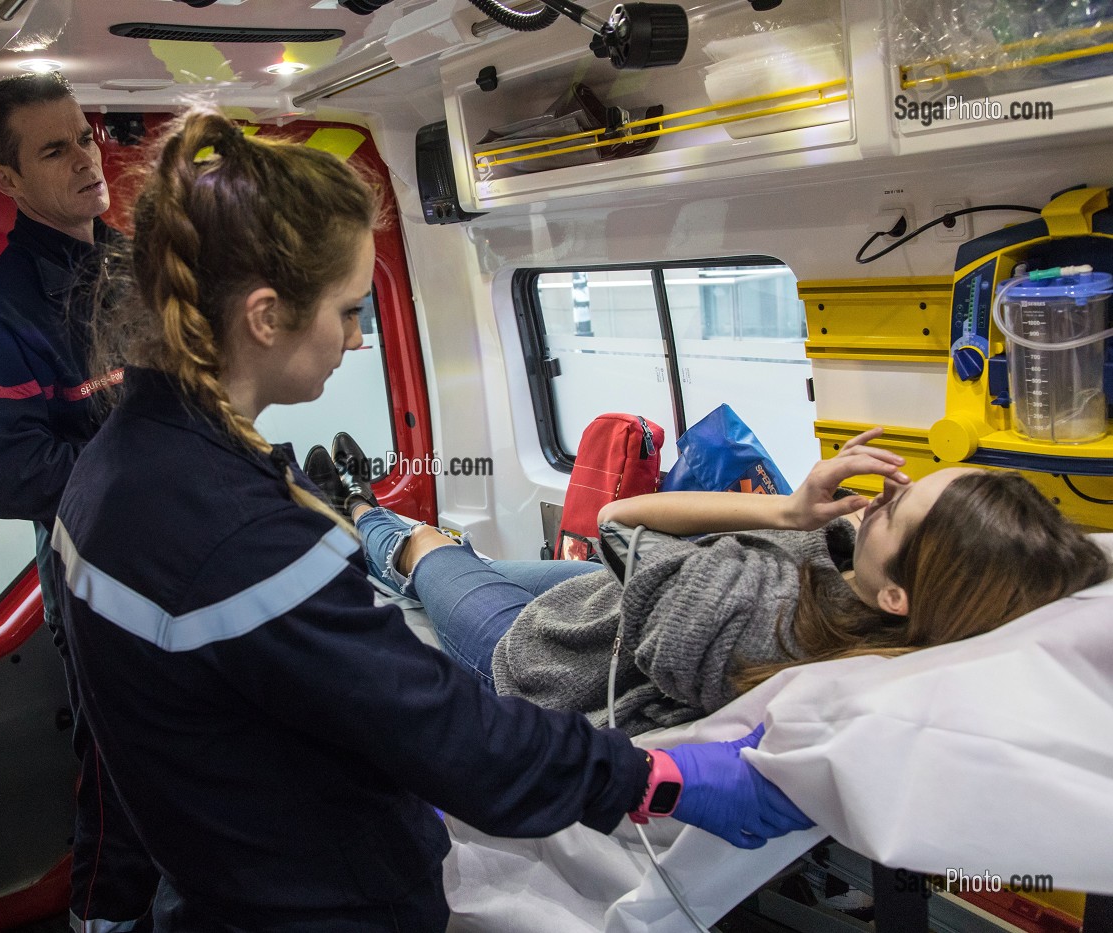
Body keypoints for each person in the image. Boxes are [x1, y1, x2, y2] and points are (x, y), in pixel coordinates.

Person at [54, 106, 813, 932]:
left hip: (220, 881)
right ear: (266, 316)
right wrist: (660, 778)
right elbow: (450, 732)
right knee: (445, 574)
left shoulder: (118, 462)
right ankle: (375, 524)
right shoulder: (237, 536)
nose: (354, 336)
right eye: (348, 309)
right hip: (314, 906)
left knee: (443, 570)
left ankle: (370, 521)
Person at [323, 429, 1109, 736]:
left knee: (431, 553)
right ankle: (351, 509)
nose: (876, 503)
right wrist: (816, 524)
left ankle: (348, 502)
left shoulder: (757, 618)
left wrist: (788, 506)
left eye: (894, 514)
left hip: (545, 654)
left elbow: (620, 516)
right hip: (598, 603)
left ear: (900, 594)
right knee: (480, 565)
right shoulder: (870, 600)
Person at [0, 72, 159, 932]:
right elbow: (12, 477)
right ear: (7, 179)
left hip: (187, 543)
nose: (86, 158)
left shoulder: (141, 264)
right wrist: (159, 463)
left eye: (86, 135)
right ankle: (99, 918)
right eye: (56, 147)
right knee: (120, 762)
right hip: (94, 561)